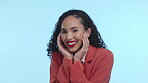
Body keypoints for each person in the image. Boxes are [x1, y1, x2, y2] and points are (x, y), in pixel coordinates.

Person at [47, 9, 114, 83]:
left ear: (87, 32)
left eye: (75, 30)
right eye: (64, 32)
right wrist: (68, 59)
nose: (68, 37)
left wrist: (76, 61)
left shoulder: (104, 56)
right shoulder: (57, 55)